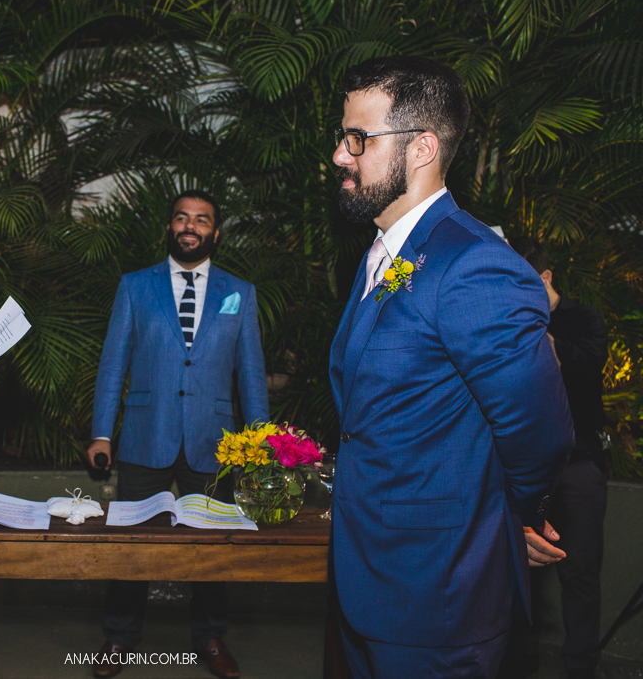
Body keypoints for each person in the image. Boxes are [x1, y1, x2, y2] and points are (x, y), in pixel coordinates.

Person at [326, 56, 574, 678]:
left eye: (358, 138)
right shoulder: (385, 253)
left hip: (438, 595)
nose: (339, 154)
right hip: (372, 579)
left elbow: (539, 430)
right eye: (342, 136)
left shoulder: (473, 265)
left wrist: (513, 515)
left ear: (422, 149)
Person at [85, 190, 269, 679]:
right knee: (131, 543)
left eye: (202, 220)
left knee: (211, 548)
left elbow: (250, 375)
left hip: (216, 442)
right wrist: (101, 433)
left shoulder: (240, 292)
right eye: (182, 218)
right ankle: (119, 636)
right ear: (169, 226)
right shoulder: (134, 287)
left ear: (215, 231)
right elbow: (112, 365)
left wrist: (258, 443)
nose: (191, 226)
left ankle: (210, 638)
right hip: (146, 434)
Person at [503, 237, 608, 679]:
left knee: (580, 576)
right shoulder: (510, 320)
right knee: (518, 576)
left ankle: (581, 669)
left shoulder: (582, 319)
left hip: (579, 469)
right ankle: (518, 667)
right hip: (526, 470)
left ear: (545, 278)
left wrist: (545, 341)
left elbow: (590, 362)